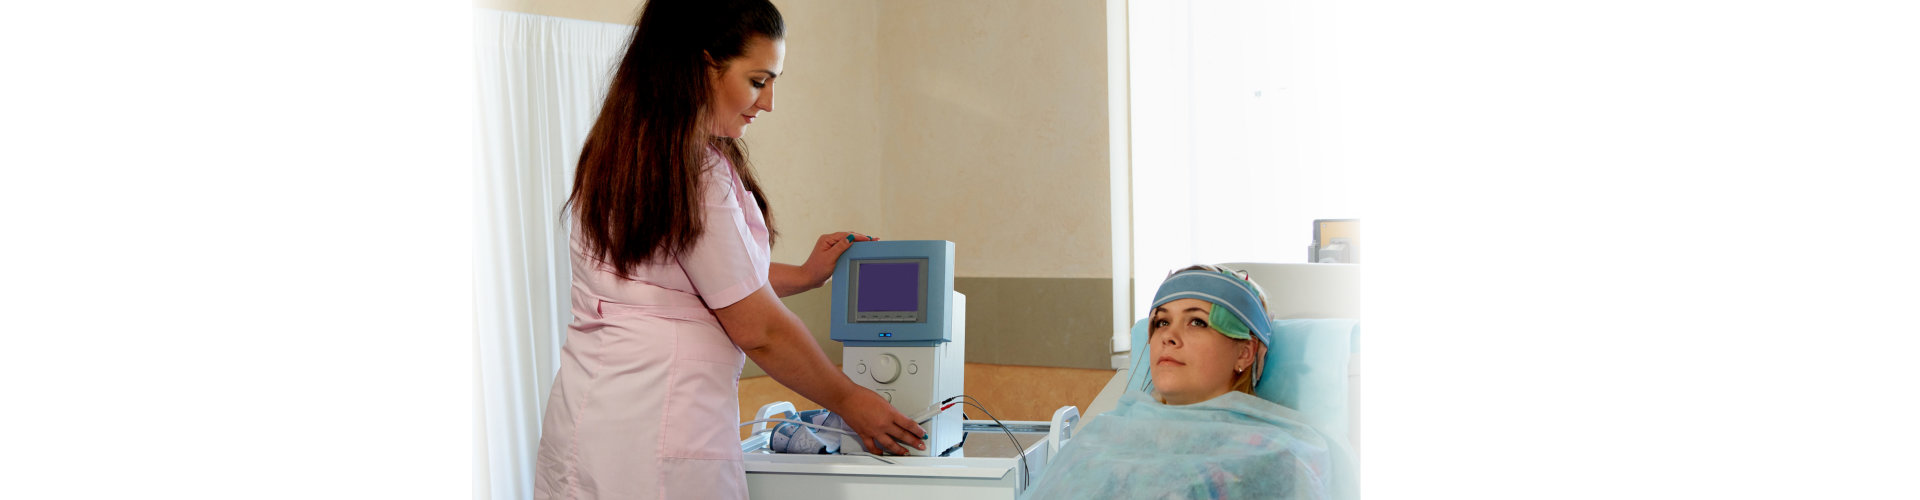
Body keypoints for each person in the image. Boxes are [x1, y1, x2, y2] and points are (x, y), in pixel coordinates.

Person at [532, 1, 925, 498]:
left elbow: (681, 280)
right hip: (660, 428)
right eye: (759, 80)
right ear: (701, 66)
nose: (768, 102)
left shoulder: (619, 153)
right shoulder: (696, 173)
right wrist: (850, 400)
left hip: (590, 416)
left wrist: (804, 275)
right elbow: (757, 328)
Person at [1020, 265, 1353, 500]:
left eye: (1197, 322)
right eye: (1161, 322)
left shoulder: (1280, 454)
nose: (1169, 337)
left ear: (1245, 353)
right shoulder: (1100, 439)